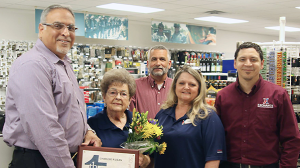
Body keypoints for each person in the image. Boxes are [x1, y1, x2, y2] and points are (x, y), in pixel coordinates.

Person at [3, 5, 101, 168]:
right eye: (58, 26)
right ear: (41, 29)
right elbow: (44, 130)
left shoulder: (63, 64)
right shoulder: (33, 65)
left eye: (71, 28)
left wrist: (88, 131)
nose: (66, 32)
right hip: (39, 160)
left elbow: (71, 109)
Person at [215, 42, 300, 168]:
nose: (248, 64)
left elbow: (291, 138)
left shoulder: (278, 95)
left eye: (253, 59)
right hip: (229, 165)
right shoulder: (223, 96)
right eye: (242, 59)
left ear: (261, 64)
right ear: (235, 63)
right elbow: (215, 137)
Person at [152, 65, 226, 168]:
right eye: (181, 83)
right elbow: (152, 152)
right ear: (175, 86)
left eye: (192, 84)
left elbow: (213, 160)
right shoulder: (163, 114)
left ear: (199, 89)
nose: (186, 87)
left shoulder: (208, 117)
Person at [88, 68, 150, 168]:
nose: (118, 97)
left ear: (130, 99)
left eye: (123, 94)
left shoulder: (138, 121)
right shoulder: (93, 124)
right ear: (104, 96)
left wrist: (145, 160)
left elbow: (149, 155)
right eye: (113, 92)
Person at [129, 45, 172, 119]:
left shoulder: (176, 87)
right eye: (154, 59)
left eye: (162, 59)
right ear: (148, 64)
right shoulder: (135, 86)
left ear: (169, 64)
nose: (158, 63)